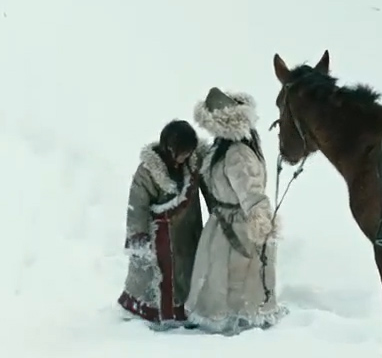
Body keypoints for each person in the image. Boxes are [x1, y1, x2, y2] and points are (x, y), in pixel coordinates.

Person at [185, 86, 283, 334]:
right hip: (224, 223)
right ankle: (225, 316)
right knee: (221, 275)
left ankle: (237, 320)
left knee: (235, 278)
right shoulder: (224, 149)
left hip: (238, 227)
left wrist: (260, 221)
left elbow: (252, 192)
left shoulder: (238, 154)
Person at [117, 119, 208, 331]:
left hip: (188, 231)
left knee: (188, 272)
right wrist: (138, 235)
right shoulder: (148, 171)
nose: (185, 158)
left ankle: (184, 309)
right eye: (182, 153)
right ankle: (152, 311)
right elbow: (137, 204)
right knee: (157, 276)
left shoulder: (192, 164)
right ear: (170, 149)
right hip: (161, 237)